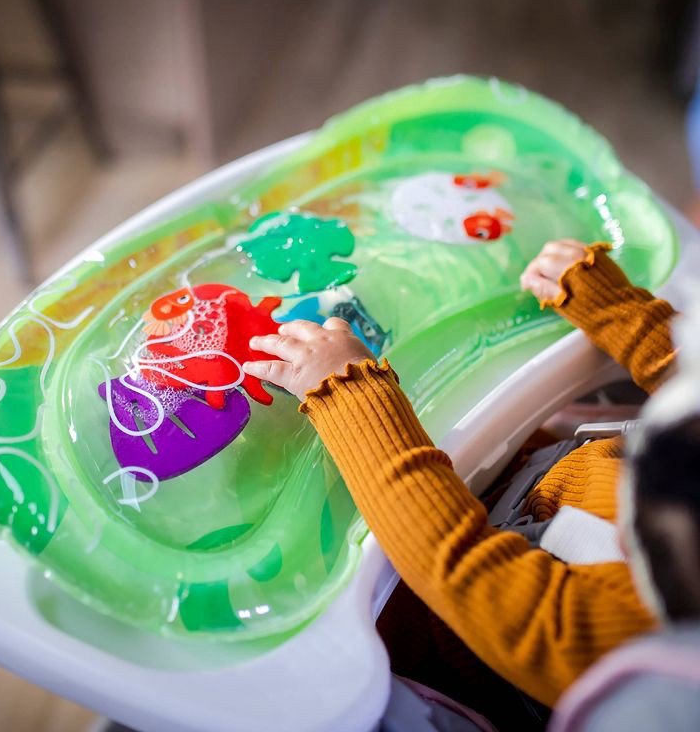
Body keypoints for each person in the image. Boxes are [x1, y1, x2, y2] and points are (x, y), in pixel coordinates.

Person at [242, 239, 676, 716]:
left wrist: (346, 389)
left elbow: (455, 560)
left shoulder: (634, 646)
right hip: (561, 473)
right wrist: (620, 310)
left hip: (443, 607)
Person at [548, 302, 700, 731]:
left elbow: (454, 558)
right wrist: (601, 301)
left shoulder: (600, 626)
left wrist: (353, 385)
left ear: (628, 546)